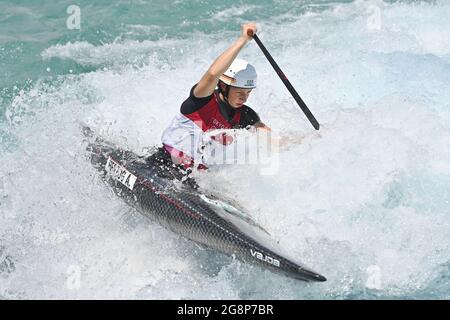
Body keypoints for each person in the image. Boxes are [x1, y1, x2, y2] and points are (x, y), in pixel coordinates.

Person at [147, 23, 270, 187]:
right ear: (224, 86)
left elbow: (269, 138)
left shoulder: (245, 115)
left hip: (196, 179)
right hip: (164, 165)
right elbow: (213, 74)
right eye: (240, 92)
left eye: (248, 93)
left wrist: (309, 141)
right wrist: (243, 40)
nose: (244, 98)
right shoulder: (202, 99)